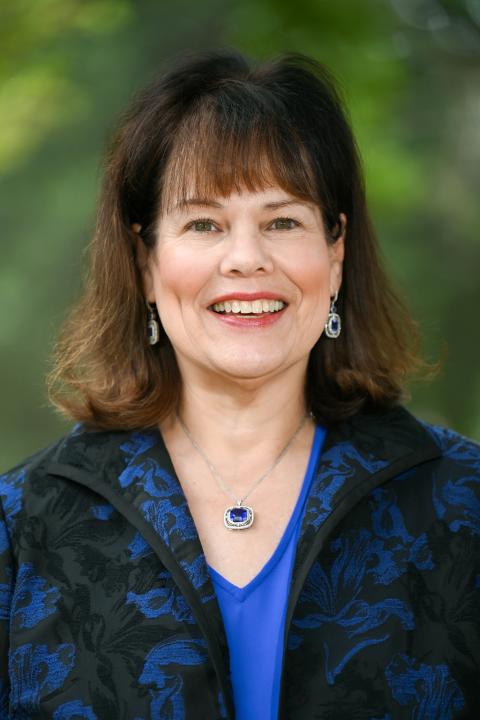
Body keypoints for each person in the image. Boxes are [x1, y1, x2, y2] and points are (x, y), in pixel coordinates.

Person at [0, 48, 479, 720]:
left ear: (335, 254)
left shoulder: (463, 504)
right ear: (146, 262)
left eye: (283, 222)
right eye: (204, 224)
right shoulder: (22, 528)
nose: (247, 259)